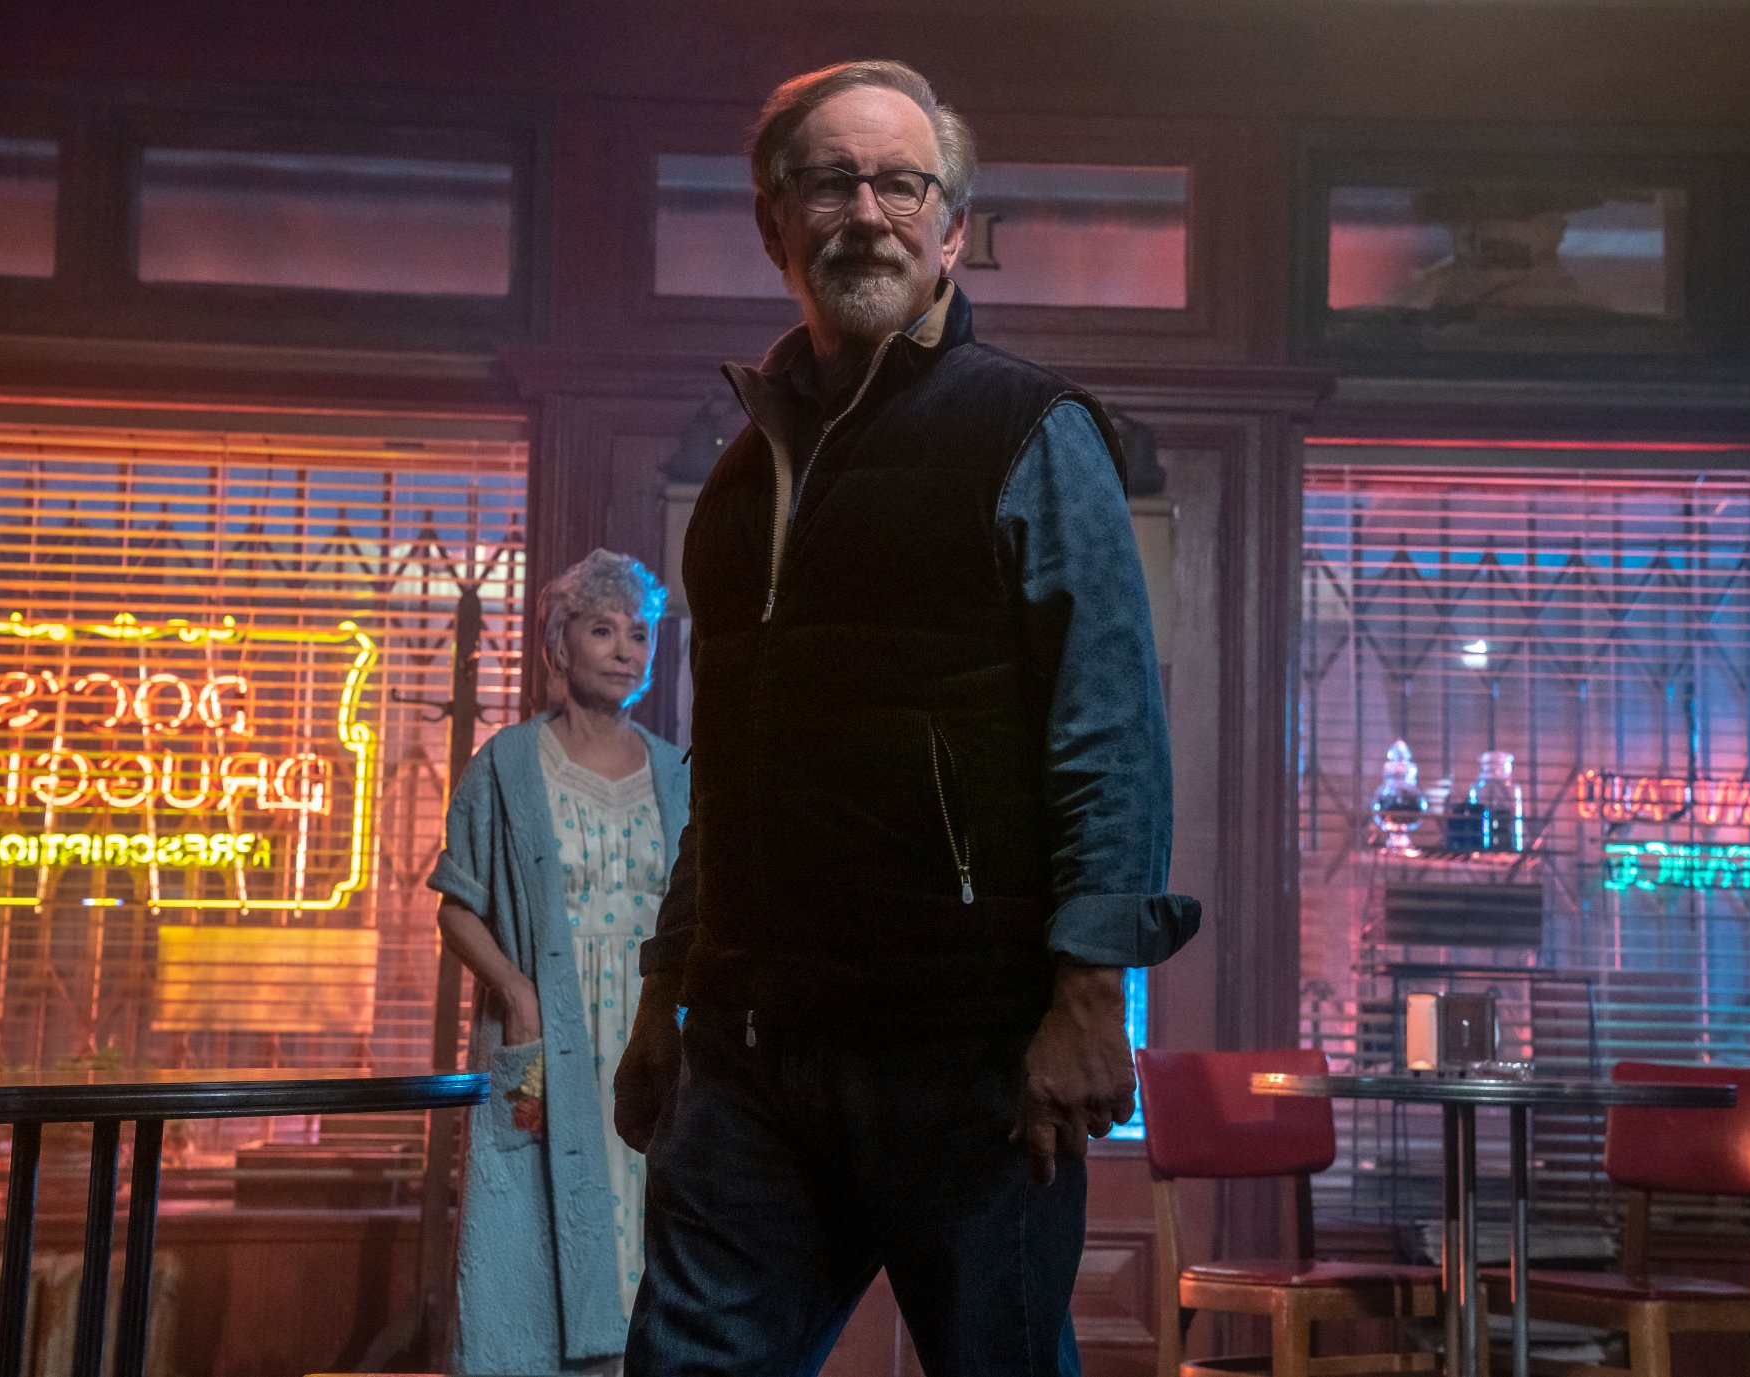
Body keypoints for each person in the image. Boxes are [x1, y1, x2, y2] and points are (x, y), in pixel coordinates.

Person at [614, 60, 1199, 1377]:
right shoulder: (738, 476)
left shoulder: (1028, 428)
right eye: (830, 181)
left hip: (972, 1060)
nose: (866, 211)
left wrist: (1090, 996)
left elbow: (1107, 730)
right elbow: (730, 767)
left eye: (901, 183)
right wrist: (667, 990)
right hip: (754, 1060)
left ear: (948, 229)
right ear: (776, 223)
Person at [429, 549, 690, 1376]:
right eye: (601, 628)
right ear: (557, 643)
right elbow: (456, 904)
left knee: (664, 1219)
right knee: (527, 1218)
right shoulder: (508, 766)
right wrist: (515, 989)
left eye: (639, 632)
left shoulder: (677, 772)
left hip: (652, 1035)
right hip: (550, 1031)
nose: (624, 648)